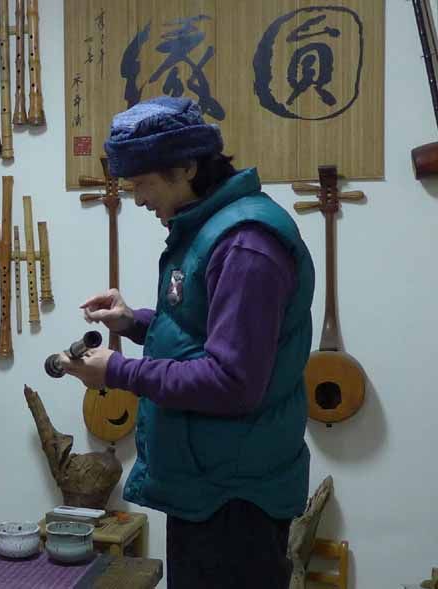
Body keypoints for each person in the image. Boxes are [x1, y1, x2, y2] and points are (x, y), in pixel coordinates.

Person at [58, 96, 315, 588]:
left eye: (143, 184)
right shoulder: (210, 230)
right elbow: (204, 334)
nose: (137, 199)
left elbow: (232, 382)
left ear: (187, 168)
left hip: (235, 496)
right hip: (208, 480)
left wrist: (118, 371)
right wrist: (134, 322)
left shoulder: (245, 244)